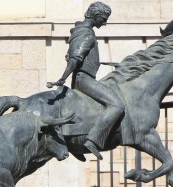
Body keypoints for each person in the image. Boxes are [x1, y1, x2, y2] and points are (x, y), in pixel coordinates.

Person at [47, 1, 124, 160]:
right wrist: (62, 78)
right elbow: (76, 58)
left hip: (83, 78)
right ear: (96, 16)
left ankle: (76, 143)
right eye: (104, 19)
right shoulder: (87, 34)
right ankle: (93, 140)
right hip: (84, 80)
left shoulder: (80, 31)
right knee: (117, 105)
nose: (105, 23)